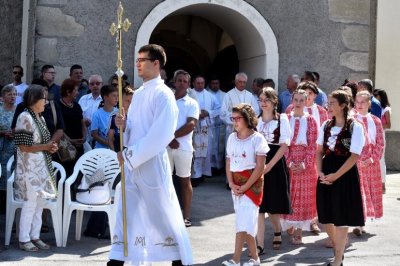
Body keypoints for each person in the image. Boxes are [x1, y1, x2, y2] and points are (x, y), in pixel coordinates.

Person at [108, 44, 192, 266]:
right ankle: (118, 258)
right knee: (126, 213)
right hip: (132, 164)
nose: (138, 64)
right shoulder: (139, 93)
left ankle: (178, 260)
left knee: (161, 214)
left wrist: (129, 155)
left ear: (156, 63)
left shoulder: (164, 95)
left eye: (142, 60)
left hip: (151, 164)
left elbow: (160, 135)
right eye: (137, 60)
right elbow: (137, 128)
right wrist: (124, 125)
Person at [316, 90, 365, 266]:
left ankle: (338, 259)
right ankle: (339, 249)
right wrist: (319, 172)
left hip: (344, 174)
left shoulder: (355, 127)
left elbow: (354, 156)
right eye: (328, 103)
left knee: (341, 216)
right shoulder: (326, 125)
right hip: (326, 170)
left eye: (332, 103)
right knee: (326, 216)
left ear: (343, 105)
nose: (328, 106)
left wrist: (336, 176)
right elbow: (319, 151)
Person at [14, 85, 59, 251]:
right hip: (29, 168)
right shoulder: (24, 117)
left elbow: (42, 143)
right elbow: (23, 147)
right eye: (44, 99)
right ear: (34, 100)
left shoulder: (40, 118)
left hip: (40, 167)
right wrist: (45, 147)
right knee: (30, 203)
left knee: (40, 203)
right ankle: (24, 239)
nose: (46, 102)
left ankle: (35, 236)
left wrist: (50, 147)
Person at [223, 103, 269, 266]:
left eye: (237, 118)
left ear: (247, 119)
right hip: (236, 185)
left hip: (252, 185)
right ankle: (255, 258)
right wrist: (230, 182)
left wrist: (246, 186)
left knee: (242, 222)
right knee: (246, 221)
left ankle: (235, 259)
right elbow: (228, 161)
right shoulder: (231, 138)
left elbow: (260, 167)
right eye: (232, 118)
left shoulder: (258, 139)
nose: (234, 121)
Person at [256, 87, 291, 253]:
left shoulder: (282, 119)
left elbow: (284, 145)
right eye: (261, 100)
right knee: (259, 205)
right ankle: (259, 244)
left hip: (275, 162)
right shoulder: (255, 120)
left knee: (273, 205)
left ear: (274, 101)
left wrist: (269, 166)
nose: (263, 103)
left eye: (266, 100)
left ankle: (277, 230)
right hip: (258, 161)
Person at [281, 89, 318, 244]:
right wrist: (289, 161)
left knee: (303, 197)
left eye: (301, 100)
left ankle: (299, 230)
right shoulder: (285, 119)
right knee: (289, 195)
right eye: (295, 100)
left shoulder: (310, 120)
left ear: (306, 101)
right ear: (292, 100)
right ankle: (289, 223)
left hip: (306, 164)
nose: (298, 103)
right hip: (288, 160)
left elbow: (313, 145)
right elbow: (282, 142)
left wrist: (304, 163)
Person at [167, 69, 199, 227]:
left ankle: (186, 216)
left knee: (184, 181)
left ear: (188, 84)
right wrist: (167, 139)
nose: (182, 83)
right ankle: (165, 215)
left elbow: (191, 124)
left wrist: (172, 137)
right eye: (179, 80)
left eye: (185, 81)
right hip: (164, 146)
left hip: (183, 147)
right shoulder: (166, 100)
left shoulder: (192, 103)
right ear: (174, 81)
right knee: (164, 181)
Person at [353, 91, 384, 236]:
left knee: (369, 193)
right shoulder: (351, 119)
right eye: (357, 102)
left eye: (362, 102)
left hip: (371, 162)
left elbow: (380, 143)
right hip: (356, 161)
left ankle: (361, 222)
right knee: (358, 193)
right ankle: (358, 222)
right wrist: (357, 158)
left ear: (369, 104)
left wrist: (372, 159)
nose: (359, 105)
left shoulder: (376, 121)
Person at [190, 75, 219, 185]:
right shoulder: (189, 93)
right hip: (193, 128)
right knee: (195, 152)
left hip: (206, 128)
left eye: (202, 83)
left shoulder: (210, 96)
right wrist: (196, 114)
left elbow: (218, 108)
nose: (200, 85)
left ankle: (201, 174)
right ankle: (194, 176)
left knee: (205, 153)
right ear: (193, 83)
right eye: (198, 83)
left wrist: (208, 113)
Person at [58, 78, 86, 176]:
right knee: (66, 173)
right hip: (65, 147)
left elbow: (82, 123)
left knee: (78, 173)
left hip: (79, 145)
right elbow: (58, 127)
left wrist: (83, 137)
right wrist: (70, 140)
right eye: (76, 90)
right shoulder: (58, 106)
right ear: (68, 92)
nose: (78, 93)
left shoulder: (77, 106)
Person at [221, 72, 260, 141]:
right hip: (232, 128)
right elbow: (223, 113)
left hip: (247, 128)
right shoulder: (228, 95)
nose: (242, 84)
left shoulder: (250, 95)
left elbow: (256, 111)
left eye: (244, 82)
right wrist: (235, 119)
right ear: (235, 82)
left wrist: (248, 120)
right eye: (240, 82)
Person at [0, 85, 16, 213]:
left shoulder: (19, 111)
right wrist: (3, 133)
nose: (13, 96)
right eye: (10, 94)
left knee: (12, 174)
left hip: (14, 148)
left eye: (15, 94)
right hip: (2, 146)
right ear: (3, 96)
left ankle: (10, 205)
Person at [373, 88, 391, 193]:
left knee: (381, 160)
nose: (374, 97)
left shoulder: (386, 109)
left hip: (381, 134)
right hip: (374, 134)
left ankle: (383, 185)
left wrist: (377, 126)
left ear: (381, 96)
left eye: (376, 95)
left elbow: (388, 124)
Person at [78, 74, 103, 148]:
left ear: (102, 85)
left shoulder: (106, 100)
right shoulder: (83, 99)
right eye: (92, 84)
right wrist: (83, 120)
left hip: (100, 138)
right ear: (89, 86)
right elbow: (77, 116)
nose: (95, 86)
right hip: (85, 138)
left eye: (97, 83)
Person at [208, 76, 226, 171]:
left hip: (221, 126)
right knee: (211, 147)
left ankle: (220, 167)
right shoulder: (207, 94)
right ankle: (211, 167)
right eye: (213, 83)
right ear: (210, 84)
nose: (215, 85)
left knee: (220, 148)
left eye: (217, 83)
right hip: (211, 126)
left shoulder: (225, 95)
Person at [108, 85, 134, 152]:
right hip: (117, 154)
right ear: (120, 100)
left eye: (132, 101)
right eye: (127, 101)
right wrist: (114, 154)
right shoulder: (115, 117)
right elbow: (110, 139)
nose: (130, 104)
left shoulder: (137, 118)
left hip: (131, 155)